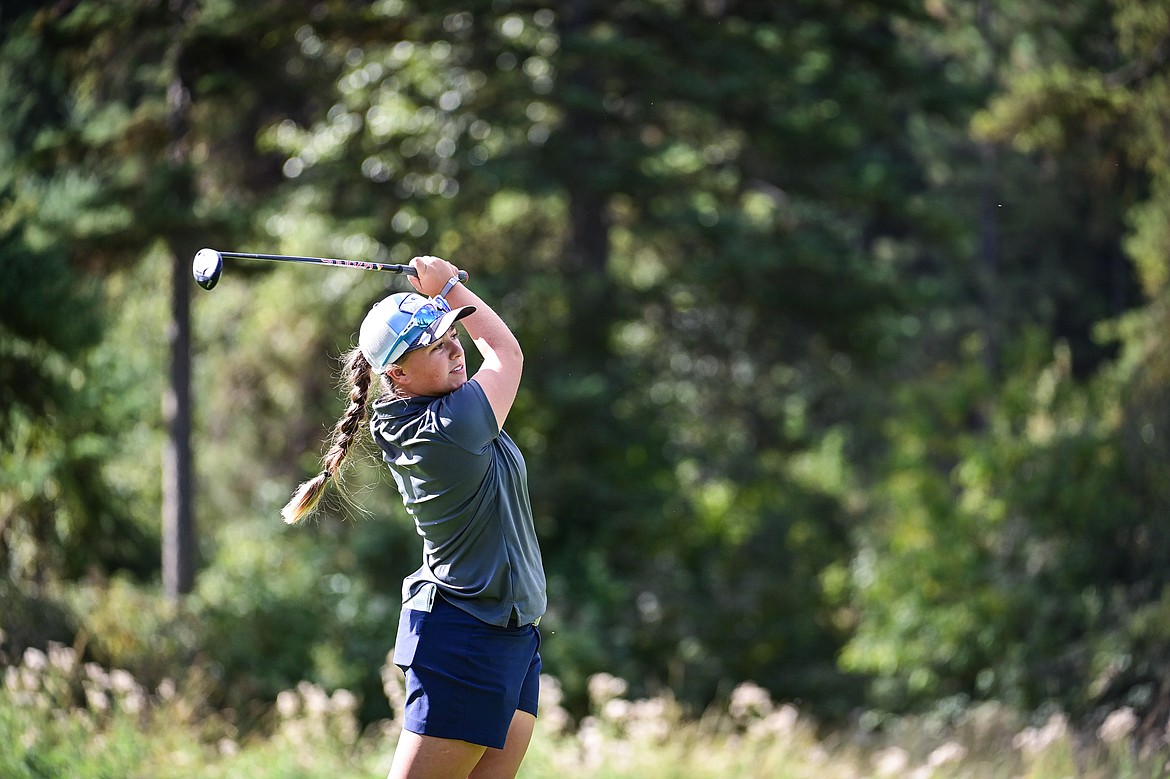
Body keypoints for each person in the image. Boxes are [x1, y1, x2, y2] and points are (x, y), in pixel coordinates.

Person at [281, 255, 547, 779]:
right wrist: (448, 287)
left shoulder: (440, 408)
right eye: (436, 347)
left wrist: (445, 301)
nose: (455, 351)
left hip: (512, 630)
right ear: (397, 373)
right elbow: (507, 353)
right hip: (466, 633)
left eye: (453, 337)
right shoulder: (450, 426)